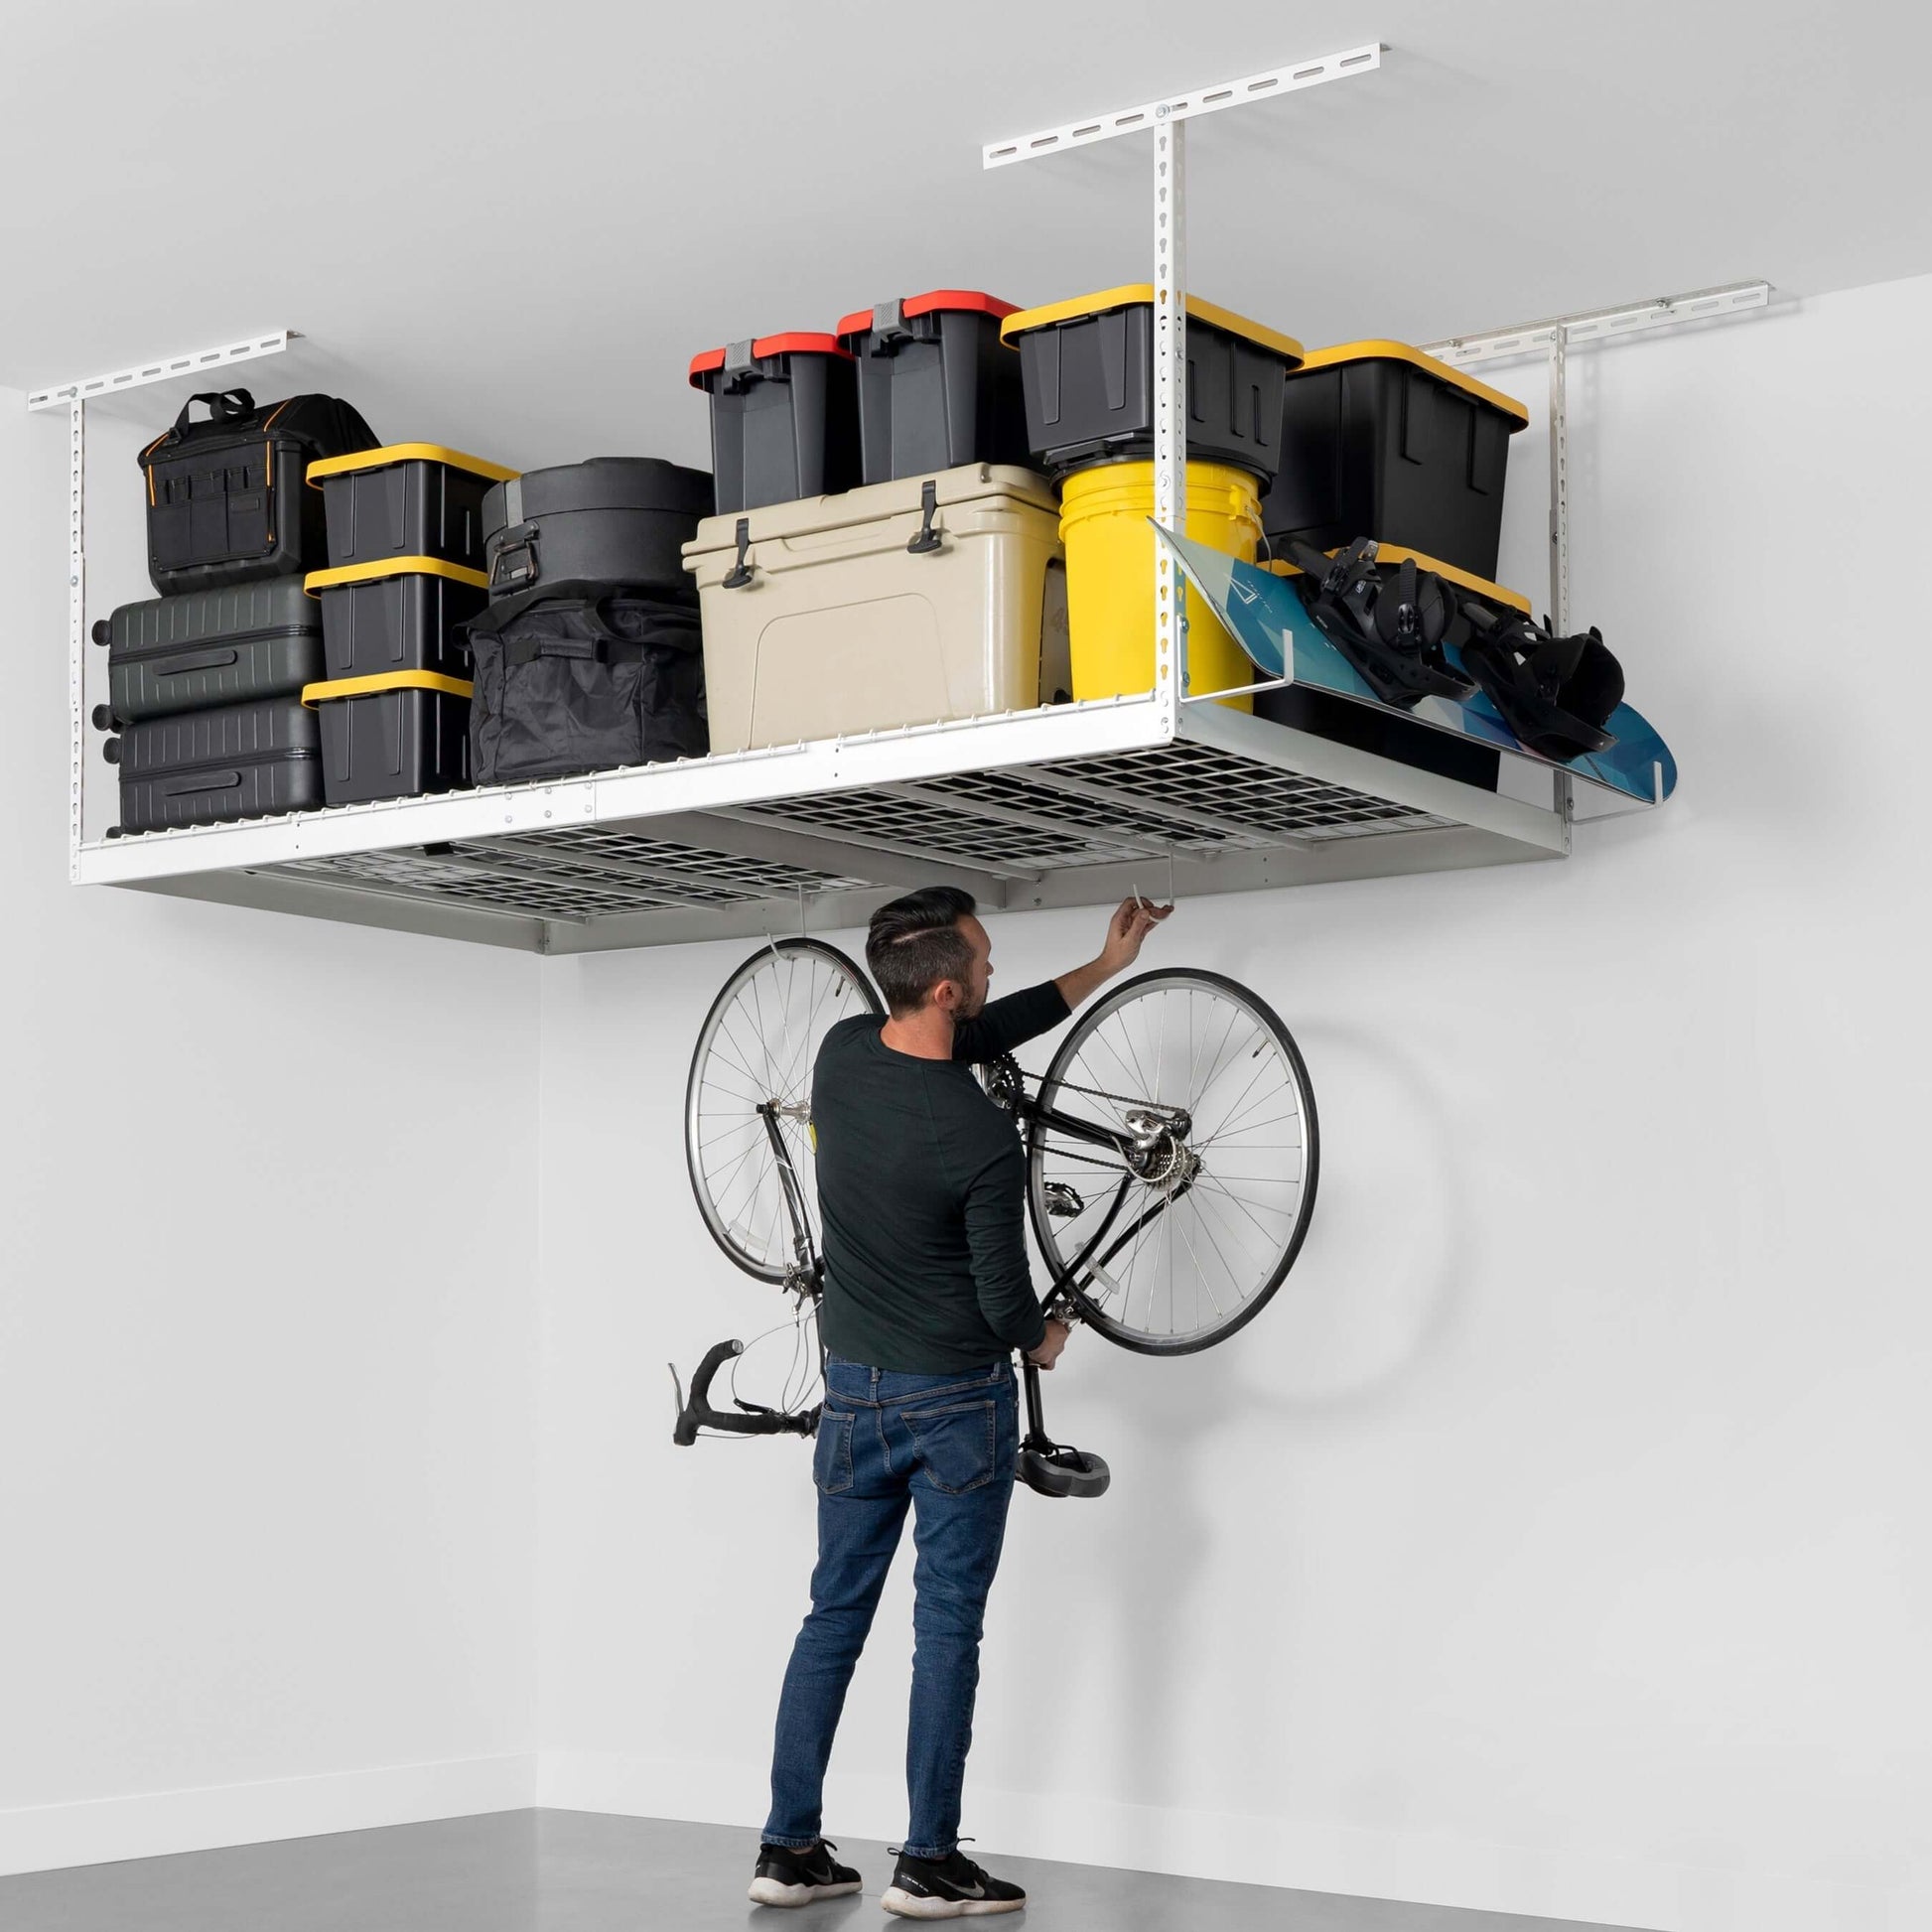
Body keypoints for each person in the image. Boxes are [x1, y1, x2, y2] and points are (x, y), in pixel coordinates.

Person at [749, 889, 1171, 1917]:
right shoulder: (980, 1138)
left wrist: (1098, 966)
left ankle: (787, 1848)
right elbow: (1003, 1302)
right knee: (944, 1630)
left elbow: (982, 1026)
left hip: (853, 1393)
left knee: (831, 1616)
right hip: (954, 1408)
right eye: (981, 959)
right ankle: (928, 1861)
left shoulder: (843, 1054)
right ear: (941, 983)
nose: (989, 971)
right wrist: (1046, 1337)